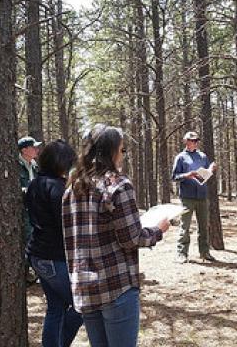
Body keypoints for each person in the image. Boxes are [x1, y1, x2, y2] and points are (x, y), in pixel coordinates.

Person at [62, 125, 170, 347]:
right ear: (110, 151)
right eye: (122, 150)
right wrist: (158, 231)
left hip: (85, 285)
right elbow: (132, 238)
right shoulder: (118, 185)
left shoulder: (73, 188)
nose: (123, 155)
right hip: (116, 285)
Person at [26, 140, 82, 346]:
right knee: (82, 304)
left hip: (38, 254)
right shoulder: (58, 188)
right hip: (52, 256)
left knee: (56, 307)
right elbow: (65, 225)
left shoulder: (36, 183)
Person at [171, 131, 217, 263]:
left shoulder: (202, 156)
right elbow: (174, 176)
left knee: (203, 227)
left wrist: (211, 169)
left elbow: (207, 172)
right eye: (192, 140)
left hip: (202, 195)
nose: (194, 142)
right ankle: (181, 254)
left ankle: (205, 252)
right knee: (185, 226)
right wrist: (187, 175)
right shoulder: (181, 157)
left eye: (196, 140)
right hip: (187, 197)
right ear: (186, 141)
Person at [18, 136, 41, 240]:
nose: (37, 150)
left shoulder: (34, 165)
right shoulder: (15, 165)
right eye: (34, 147)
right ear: (24, 150)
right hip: (21, 211)